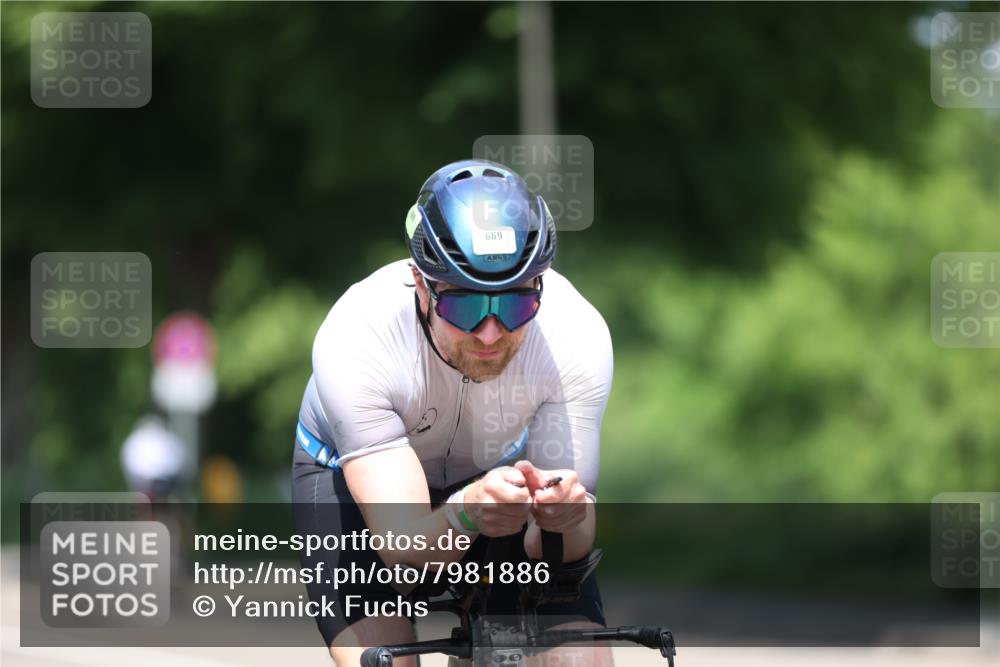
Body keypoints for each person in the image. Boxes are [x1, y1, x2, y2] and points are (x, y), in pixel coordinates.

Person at [292, 159, 614, 666]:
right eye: (465, 306)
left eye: (514, 305)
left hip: (497, 479)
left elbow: (561, 552)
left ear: (540, 287)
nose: (490, 333)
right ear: (421, 283)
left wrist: (563, 517)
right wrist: (466, 512)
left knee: (581, 660)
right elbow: (401, 544)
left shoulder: (576, 335)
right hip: (357, 487)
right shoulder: (356, 334)